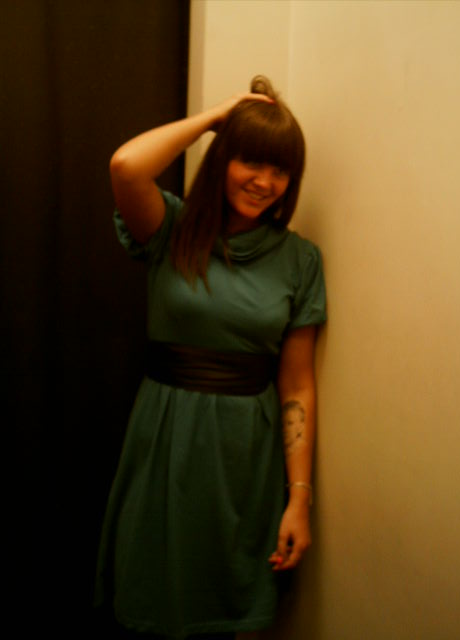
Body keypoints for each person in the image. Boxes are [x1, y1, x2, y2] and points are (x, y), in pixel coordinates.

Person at [94, 75, 326, 640]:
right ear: (222, 159)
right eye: (250, 161)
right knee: (152, 597)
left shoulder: (300, 261)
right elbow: (126, 166)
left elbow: (297, 385)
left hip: (246, 456)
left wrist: (299, 500)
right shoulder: (170, 227)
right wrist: (219, 116)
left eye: (280, 170)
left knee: (226, 608)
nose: (264, 181)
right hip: (166, 439)